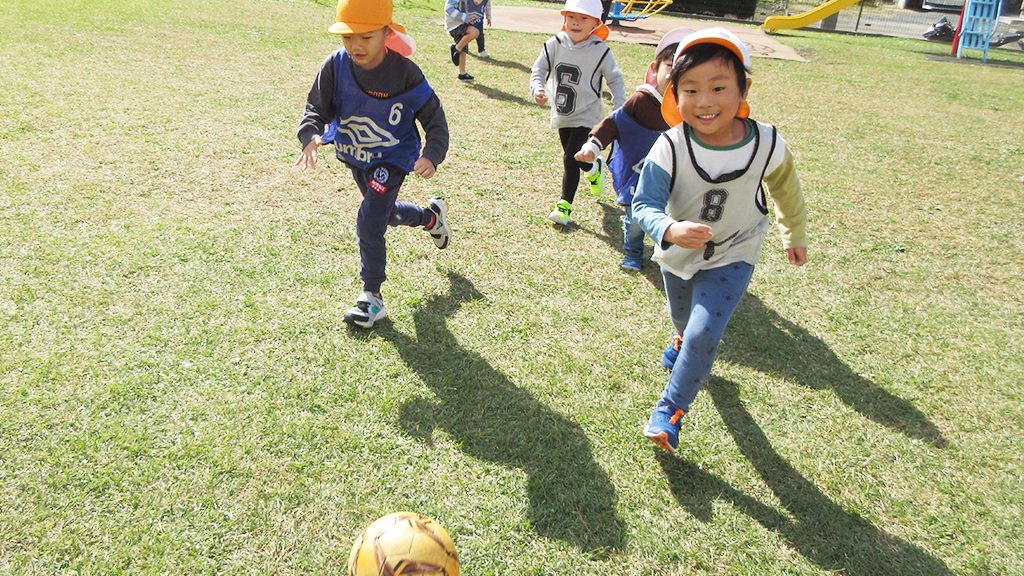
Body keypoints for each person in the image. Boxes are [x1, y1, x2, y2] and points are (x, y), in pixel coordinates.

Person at [632, 28, 808, 452]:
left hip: (736, 250)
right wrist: (670, 229)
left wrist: (794, 232)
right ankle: (680, 340)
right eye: (690, 89)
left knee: (704, 333)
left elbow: (786, 188)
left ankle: (670, 411)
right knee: (684, 323)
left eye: (718, 87)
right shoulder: (670, 146)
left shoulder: (766, 142)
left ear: (744, 88)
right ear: (674, 94)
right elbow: (644, 205)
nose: (705, 100)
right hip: (679, 254)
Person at [295, 0, 451, 328]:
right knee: (385, 214)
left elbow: (434, 117)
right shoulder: (335, 66)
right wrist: (310, 134)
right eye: (348, 36)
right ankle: (430, 218)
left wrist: (432, 154)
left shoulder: (405, 73)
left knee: (369, 219)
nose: (356, 45)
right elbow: (316, 108)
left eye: (365, 37)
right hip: (357, 157)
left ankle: (372, 297)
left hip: (393, 159)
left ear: (386, 32)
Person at [574, 28, 693, 271]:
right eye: (670, 65)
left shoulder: (693, 106)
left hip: (673, 177)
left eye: (685, 69)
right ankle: (634, 252)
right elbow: (614, 123)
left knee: (673, 216)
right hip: (639, 173)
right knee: (635, 218)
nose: (674, 73)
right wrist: (592, 146)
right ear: (654, 69)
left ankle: (669, 255)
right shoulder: (641, 101)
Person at [529, 0, 626, 226]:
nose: (576, 22)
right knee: (577, 158)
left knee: (570, 157)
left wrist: (619, 108)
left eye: (583, 18)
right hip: (563, 114)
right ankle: (594, 167)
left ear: (595, 23)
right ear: (564, 18)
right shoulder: (554, 44)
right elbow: (538, 69)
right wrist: (538, 89)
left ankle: (564, 206)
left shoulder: (600, 50)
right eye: (571, 16)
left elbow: (615, 79)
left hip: (588, 115)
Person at [445, 0, 486, 81]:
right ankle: (455, 49)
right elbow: (449, 9)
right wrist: (464, 17)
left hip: (461, 23)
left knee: (463, 48)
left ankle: (462, 74)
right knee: (475, 32)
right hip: (455, 25)